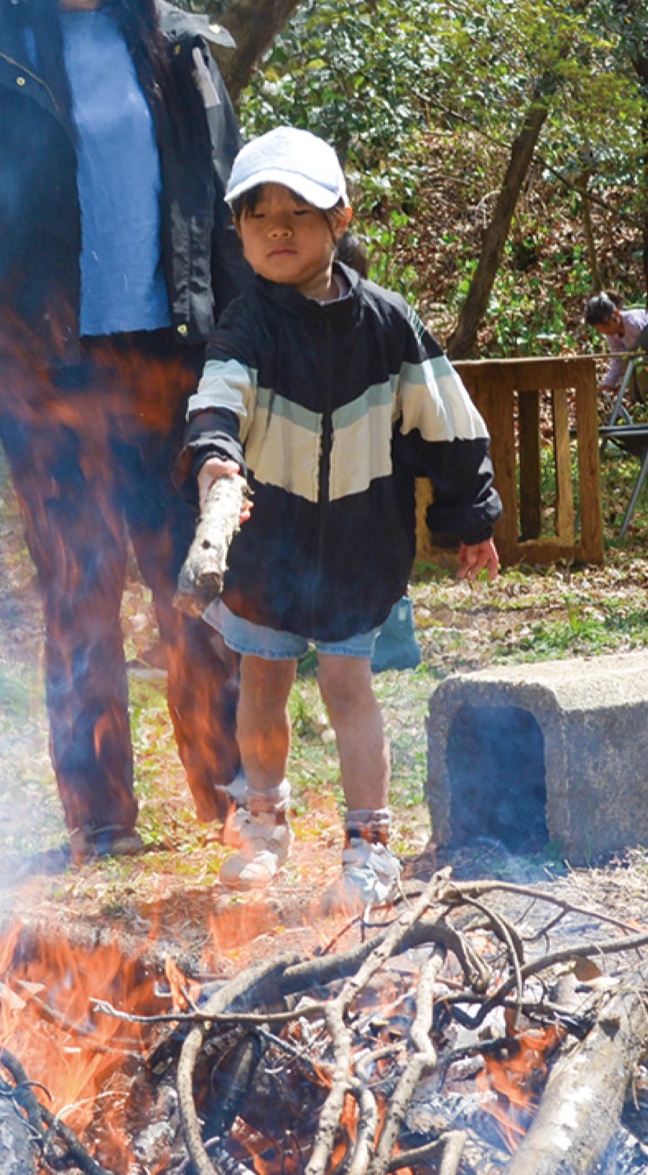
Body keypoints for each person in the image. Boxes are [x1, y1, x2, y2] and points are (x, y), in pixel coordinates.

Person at [0, 0, 248, 864]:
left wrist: (241, 351)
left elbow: (220, 204)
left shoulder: (180, 50)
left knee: (193, 581)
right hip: (40, 365)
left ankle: (230, 794)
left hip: (167, 359)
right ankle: (101, 817)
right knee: (76, 589)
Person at [182, 126, 501, 909]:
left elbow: (448, 420)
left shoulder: (388, 325)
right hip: (267, 549)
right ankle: (262, 821)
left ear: (342, 219)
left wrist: (470, 517)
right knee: (263, 681)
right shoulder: (244, 325)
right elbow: (217, 398)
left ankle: (368, 845)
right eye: (260, 217)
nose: (279, 230)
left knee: (348, 687)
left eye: (300, 212)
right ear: (240, 232)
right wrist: (215, 457)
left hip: (361, 547)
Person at [584, 292, 648, 395]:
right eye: (600, 330)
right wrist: (608, 383)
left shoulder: (634, 324)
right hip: (635, 356)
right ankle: (637, 400)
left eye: (607, 326)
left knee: (640, 362)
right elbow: (618, 358)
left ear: (617, 314)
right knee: (627, 360)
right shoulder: (611, 334)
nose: (605, 331)